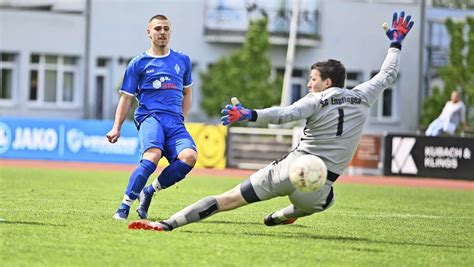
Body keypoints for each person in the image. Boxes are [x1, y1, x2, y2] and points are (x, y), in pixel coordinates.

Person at [127, 11, 414, 231]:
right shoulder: (363, 96)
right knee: (324, 202)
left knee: (226, 200)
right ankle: (281, 215)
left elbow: (284, 114)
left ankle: (167, 224)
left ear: (326, 82)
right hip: (318, 186)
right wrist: (395, 45)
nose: (309, 85)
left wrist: (250, 114)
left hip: (287, 171)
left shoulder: (317, 99)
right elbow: (387, 75)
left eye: (312, 80)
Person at [107, 14, 198, 220]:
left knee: (190, 157)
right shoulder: (138, 63)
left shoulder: (183, 60)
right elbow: (126, 98)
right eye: (157, 29)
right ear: (149, 33)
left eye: (166, 28)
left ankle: (149, 191)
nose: (162, 32)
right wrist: (116, 127)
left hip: (174, 121)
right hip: (151, 117)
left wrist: (182, 117)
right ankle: (124, 206)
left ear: (170, 32)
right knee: (152, 156)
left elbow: (188, 93)